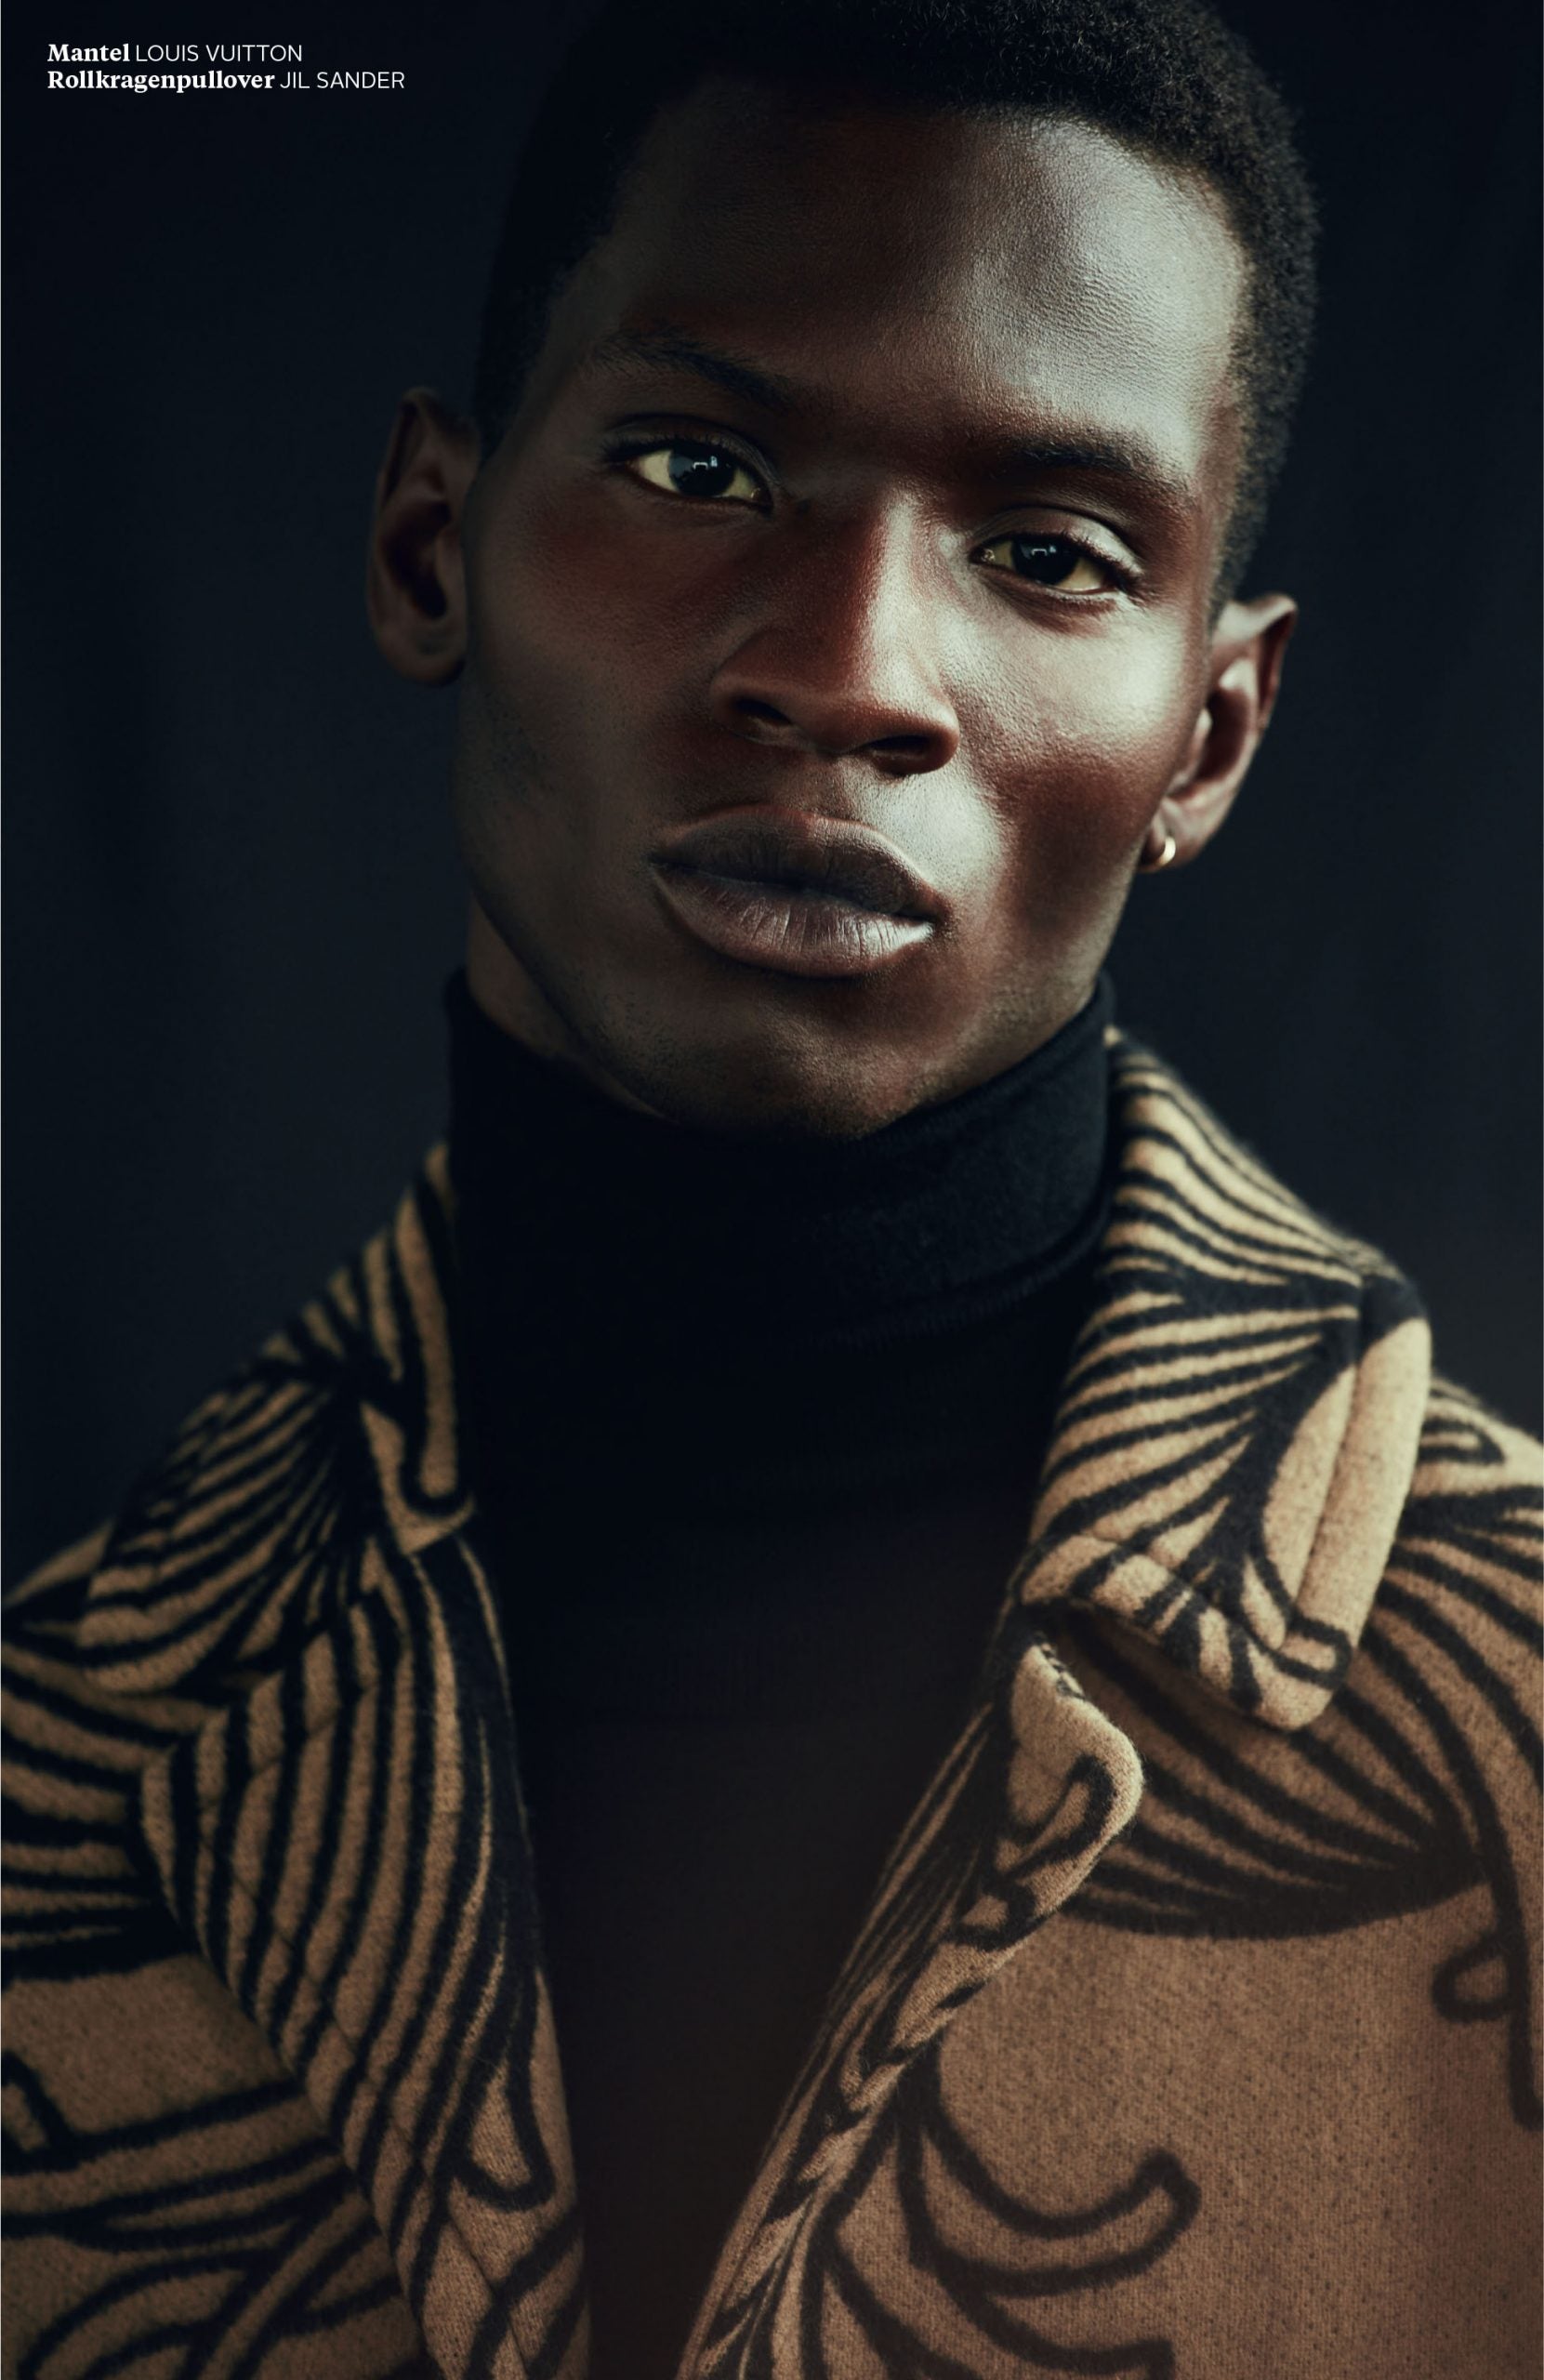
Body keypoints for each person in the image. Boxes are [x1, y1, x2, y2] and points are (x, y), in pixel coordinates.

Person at [4, 0, 1538, 2373]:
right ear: (431, 542)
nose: (848, 670)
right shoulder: (55, 1756)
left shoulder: (1517, 1711)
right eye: (701, 467)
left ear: (1208, 735)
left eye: (1051, 552)